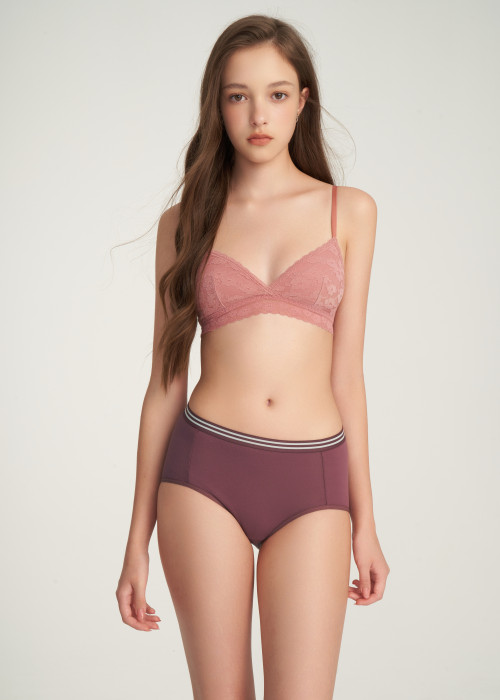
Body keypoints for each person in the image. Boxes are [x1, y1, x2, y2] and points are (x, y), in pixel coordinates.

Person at [116, 13, 390, 700]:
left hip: (313, 482)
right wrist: (135, 540)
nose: (258, 115)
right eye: (238, 95)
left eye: (276, 94)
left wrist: (366, 523)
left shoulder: (350, 212)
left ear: (303, 102)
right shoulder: (186, 223)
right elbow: (164, 385)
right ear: (217, 104)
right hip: (204, 475)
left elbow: (348, 378)